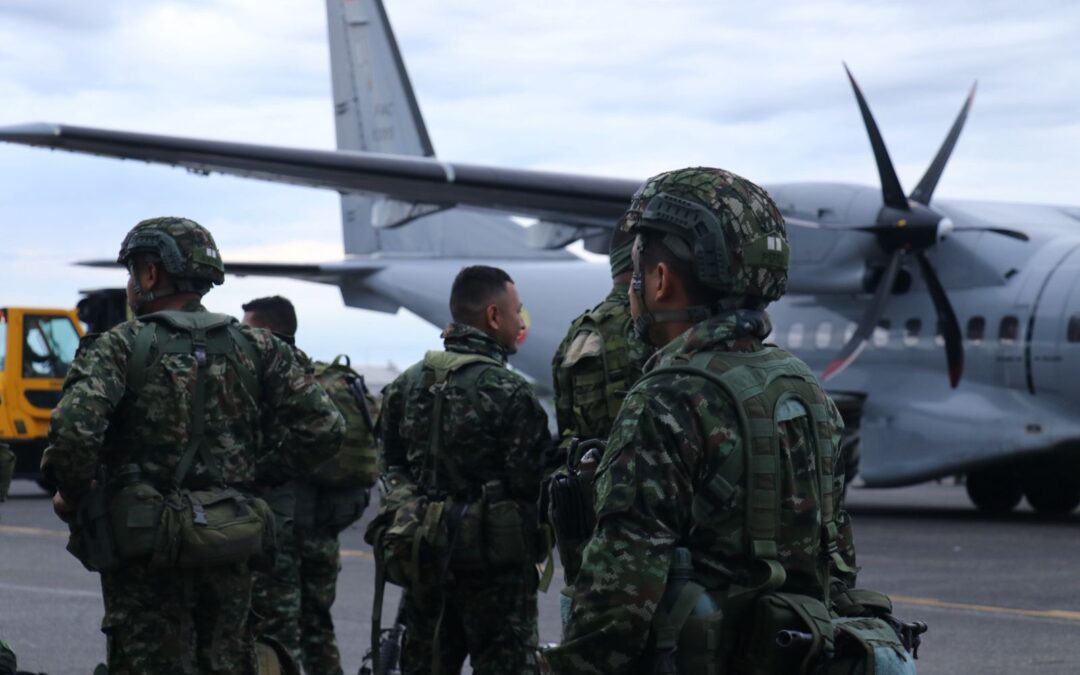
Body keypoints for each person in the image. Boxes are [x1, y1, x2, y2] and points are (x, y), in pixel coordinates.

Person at [544, 168, 887, 674]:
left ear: (659, 282)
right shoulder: (803, 386)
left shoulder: (666, 398)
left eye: (638, 274)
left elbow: (620, 597)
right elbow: (835, 560)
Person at [42, 217, 344, 675]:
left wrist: (73, 494)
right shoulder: (260, 346)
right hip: (231, 538)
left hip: (146, 551)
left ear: (149, 275)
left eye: (132, 272)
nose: (129, 285)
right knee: (228, 658)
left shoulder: (118, 346)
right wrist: (255, 477)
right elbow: (325, 428)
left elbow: (74, 434)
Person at [370, 265, 550, 675]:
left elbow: (390, 465)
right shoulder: (512, 393)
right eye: (516, 311)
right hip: (497, 575)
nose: (521, 321)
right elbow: (527, 484)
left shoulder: (406, 385)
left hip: (425, 560)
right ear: (493, 317)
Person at [243, 295, 353, 675]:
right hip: (321, 524)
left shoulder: (267, 375)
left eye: (248, 329)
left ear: (268, 331)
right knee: (318, 625)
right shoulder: (312, 373)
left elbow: (323, 432)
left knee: (276, 631)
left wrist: (265, 468)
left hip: (282, 526)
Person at [548, 226, 651, 629]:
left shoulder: (578, 333)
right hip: (646, 517)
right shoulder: (656, 330)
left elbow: (566, 428)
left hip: (586, 518)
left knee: (591, 628)